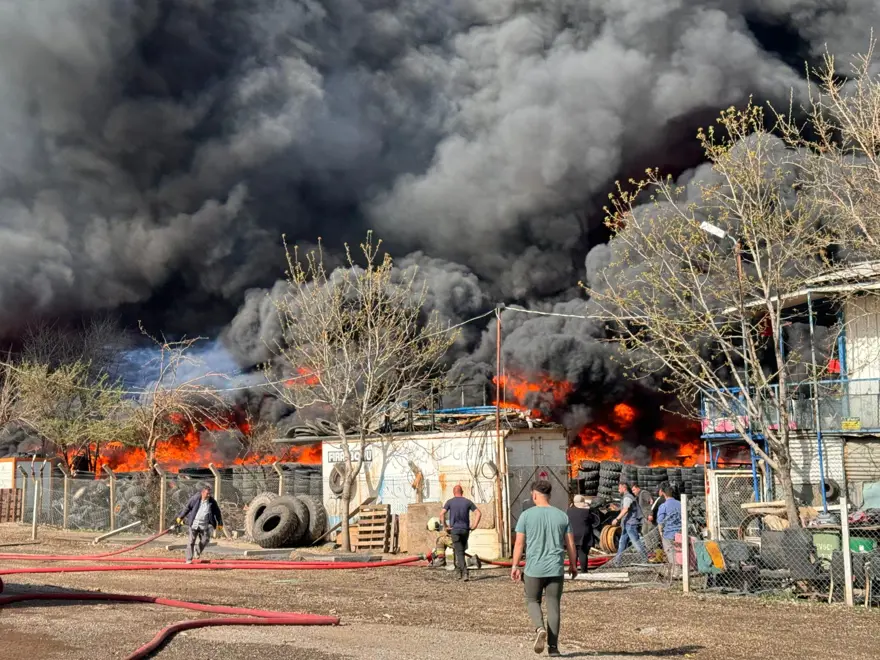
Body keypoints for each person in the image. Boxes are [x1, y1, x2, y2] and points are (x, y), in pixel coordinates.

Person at [511, 480, 577, 657]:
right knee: (554, 606)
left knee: (532, 600)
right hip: (555, 568)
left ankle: (539, 628)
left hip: (534, 569)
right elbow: (570, 543)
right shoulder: (562, 516)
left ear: (534, 495)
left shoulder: (526, 516)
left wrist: (515, 565)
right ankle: (554, 648)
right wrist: (573, 564)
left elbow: (519, 543)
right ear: (549, 495)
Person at [440, 485, 482, 581]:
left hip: (454, 530)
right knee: (460, 551)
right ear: (462, 492)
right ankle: (459, 573)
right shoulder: (467, 502)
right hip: (465, 530)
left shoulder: (450, 502)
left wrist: (445, 526)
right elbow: (478, 513)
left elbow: (441, 513)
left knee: (459, 552)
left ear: (453, 492)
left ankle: (465, 573)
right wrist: (474, 525)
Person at [176, 485, 223, 564]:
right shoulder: (195, 498)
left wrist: (220, 523)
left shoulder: (212, 502)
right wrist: (181, 517)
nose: (209, 495)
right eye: (207, 494)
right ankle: (189, 559)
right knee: (191, 541)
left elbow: (217, 513)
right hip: (194, 523)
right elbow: (188, 507)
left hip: (204, 525)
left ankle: (197, 550)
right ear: (202, 493)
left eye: (209, 494)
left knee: (206, 539)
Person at [610, 482, 649, 564]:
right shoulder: (627, 497)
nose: (618, 490)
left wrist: (616, 519)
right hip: (627, 523)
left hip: (631, 524)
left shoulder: (627, 497)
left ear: (624, 488)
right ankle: (618, 561)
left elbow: (626, 509)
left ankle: (645, 559)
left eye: (620, 488)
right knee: (622, 542)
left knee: (636, 542)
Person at [656, 482, 682, 579]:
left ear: (663, 494)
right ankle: (681, 569)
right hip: (680, 532)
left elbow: (660, 521)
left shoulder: (663, 506)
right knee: (680, 551)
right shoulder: (680, 504)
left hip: (668, 534)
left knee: (670, 552)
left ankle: (676, 572)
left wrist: (661, 533)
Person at [566, 494, 598, 573]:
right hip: (583, 535)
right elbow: (595, 521)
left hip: (572, 534)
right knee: (582, 552)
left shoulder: (568, 511)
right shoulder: (586, 511)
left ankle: (573, 569)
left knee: (573, 552)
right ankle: (584, 571)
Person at [632, 483, 657, 552]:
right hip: (645, 518)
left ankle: (654, 549)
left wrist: (651, 514)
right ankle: (649, 549)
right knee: (644, 531)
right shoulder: (639, 496)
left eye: (634, 490)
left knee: (651, 533)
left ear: (638, 488)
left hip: (649, 517)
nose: (633, 492)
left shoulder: (644, 493)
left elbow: (651, 502)